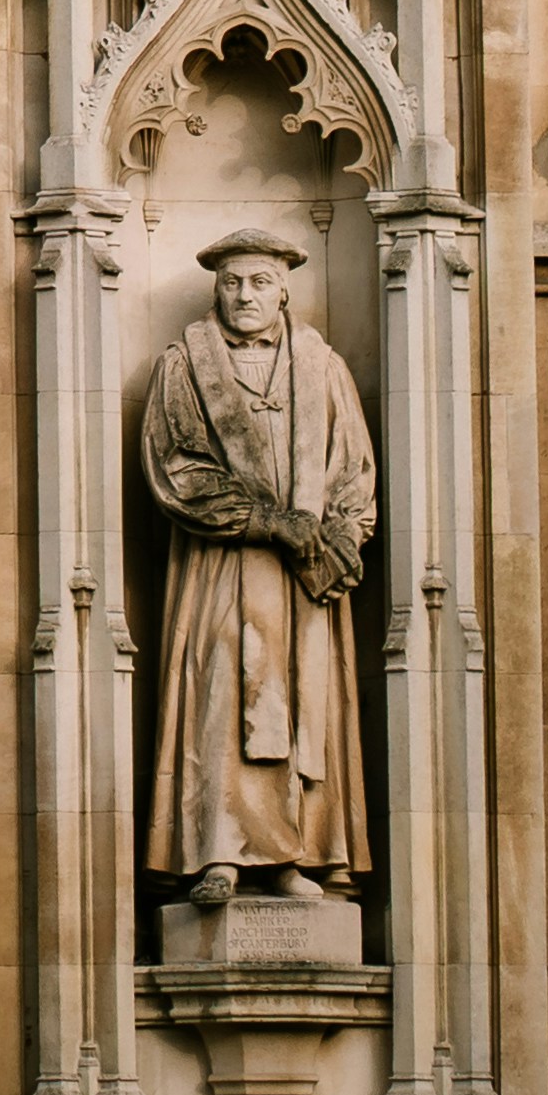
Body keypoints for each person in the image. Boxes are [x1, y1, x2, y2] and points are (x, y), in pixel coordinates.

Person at [139, 230, 377, 891]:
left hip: (304, 579)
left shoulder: (321, 365)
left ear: (283, 290)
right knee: (219, 699)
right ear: (216, 288)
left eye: (258, 282)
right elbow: (175, 467)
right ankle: (217, 850)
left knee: (302, 702)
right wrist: (269, 521)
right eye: (232, 282)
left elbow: (353, 467)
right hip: (222, 566)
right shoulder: (184, 364)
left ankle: (294, 857)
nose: (244, 294)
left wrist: (340, 538)